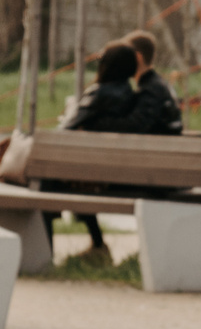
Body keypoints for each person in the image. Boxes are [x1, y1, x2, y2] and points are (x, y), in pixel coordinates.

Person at [58, 43, 143, 252]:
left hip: (93, 176)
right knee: (79, 176)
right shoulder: (131, 96)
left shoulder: (99, 93)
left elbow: (65, 130)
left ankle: (94, 244)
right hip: (119, 174)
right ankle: (97, 243)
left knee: (49, 183)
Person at [122, 29, 183, 134]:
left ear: (138, 57)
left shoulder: (151, 89)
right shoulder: (157, 84)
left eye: (125, 55)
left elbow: (135, 125)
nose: (121, 60)